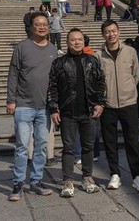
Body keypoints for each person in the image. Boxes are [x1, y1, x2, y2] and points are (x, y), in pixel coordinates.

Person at [47, 28, 107, 197]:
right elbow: (52, 88)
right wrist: (54, 108)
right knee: (69, 148)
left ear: (84, 41)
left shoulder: (92, 60)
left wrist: (101, 103)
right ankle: (68, 180)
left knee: (88, 146)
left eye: (79, 39)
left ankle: (87, 177)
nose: (76, 42)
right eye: (73, 40)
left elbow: (101, 83)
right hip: (68, 113)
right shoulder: (59, 63)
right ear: (67, 42)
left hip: (89, 111)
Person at [6, 12, 58, 201]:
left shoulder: (53, 49)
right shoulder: (22, 47)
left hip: (45, 107)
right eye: (38, 24)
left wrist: (55, 105)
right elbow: (13, 75)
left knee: (42, 146)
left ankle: (36, 181)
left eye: (45, 24)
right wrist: (10, 100)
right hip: (23, 105)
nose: (42, 27)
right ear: (31, 27)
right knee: (21, 146)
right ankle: (18, 183)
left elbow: (56, 80)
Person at [97, 20, 139, 192]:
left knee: (132, 140)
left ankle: (137, 176)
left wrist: (129, 90)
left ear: (118, 32)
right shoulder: (99, 55)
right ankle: (115, 174)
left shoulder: (130, 51)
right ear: (103, 34)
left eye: (113, 31)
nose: (111, 34)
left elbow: (136, 75)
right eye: (107, 32)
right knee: (110, 141)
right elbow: (97, 81)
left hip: (128, 103)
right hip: (108, 104)